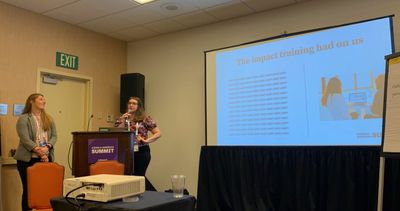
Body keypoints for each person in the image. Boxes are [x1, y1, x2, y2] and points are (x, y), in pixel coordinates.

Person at [14, 93, 57, 211]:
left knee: (43, 189)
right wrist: (40, 152)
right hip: (28, 160)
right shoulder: (23, 118)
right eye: (41, 99)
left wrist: (47, 147)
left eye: (44, 99)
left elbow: (54, 136)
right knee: (28, 190)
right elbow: (25, 139)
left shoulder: (49, 118)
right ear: (32, 102)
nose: (44, 101)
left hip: (45, 159)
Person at [115, 97, 161, 191]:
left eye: (134, 103)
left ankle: (151, 195)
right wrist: (123, 120)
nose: (131, 105)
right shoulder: (122, 118)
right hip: (126, 152)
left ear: (139, 106)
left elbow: (158, 133)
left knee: (139, 175)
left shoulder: (145, 119)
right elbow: (116, 132)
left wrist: (147, 141)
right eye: (129, 103)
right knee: (129, 176)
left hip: (141, 151)